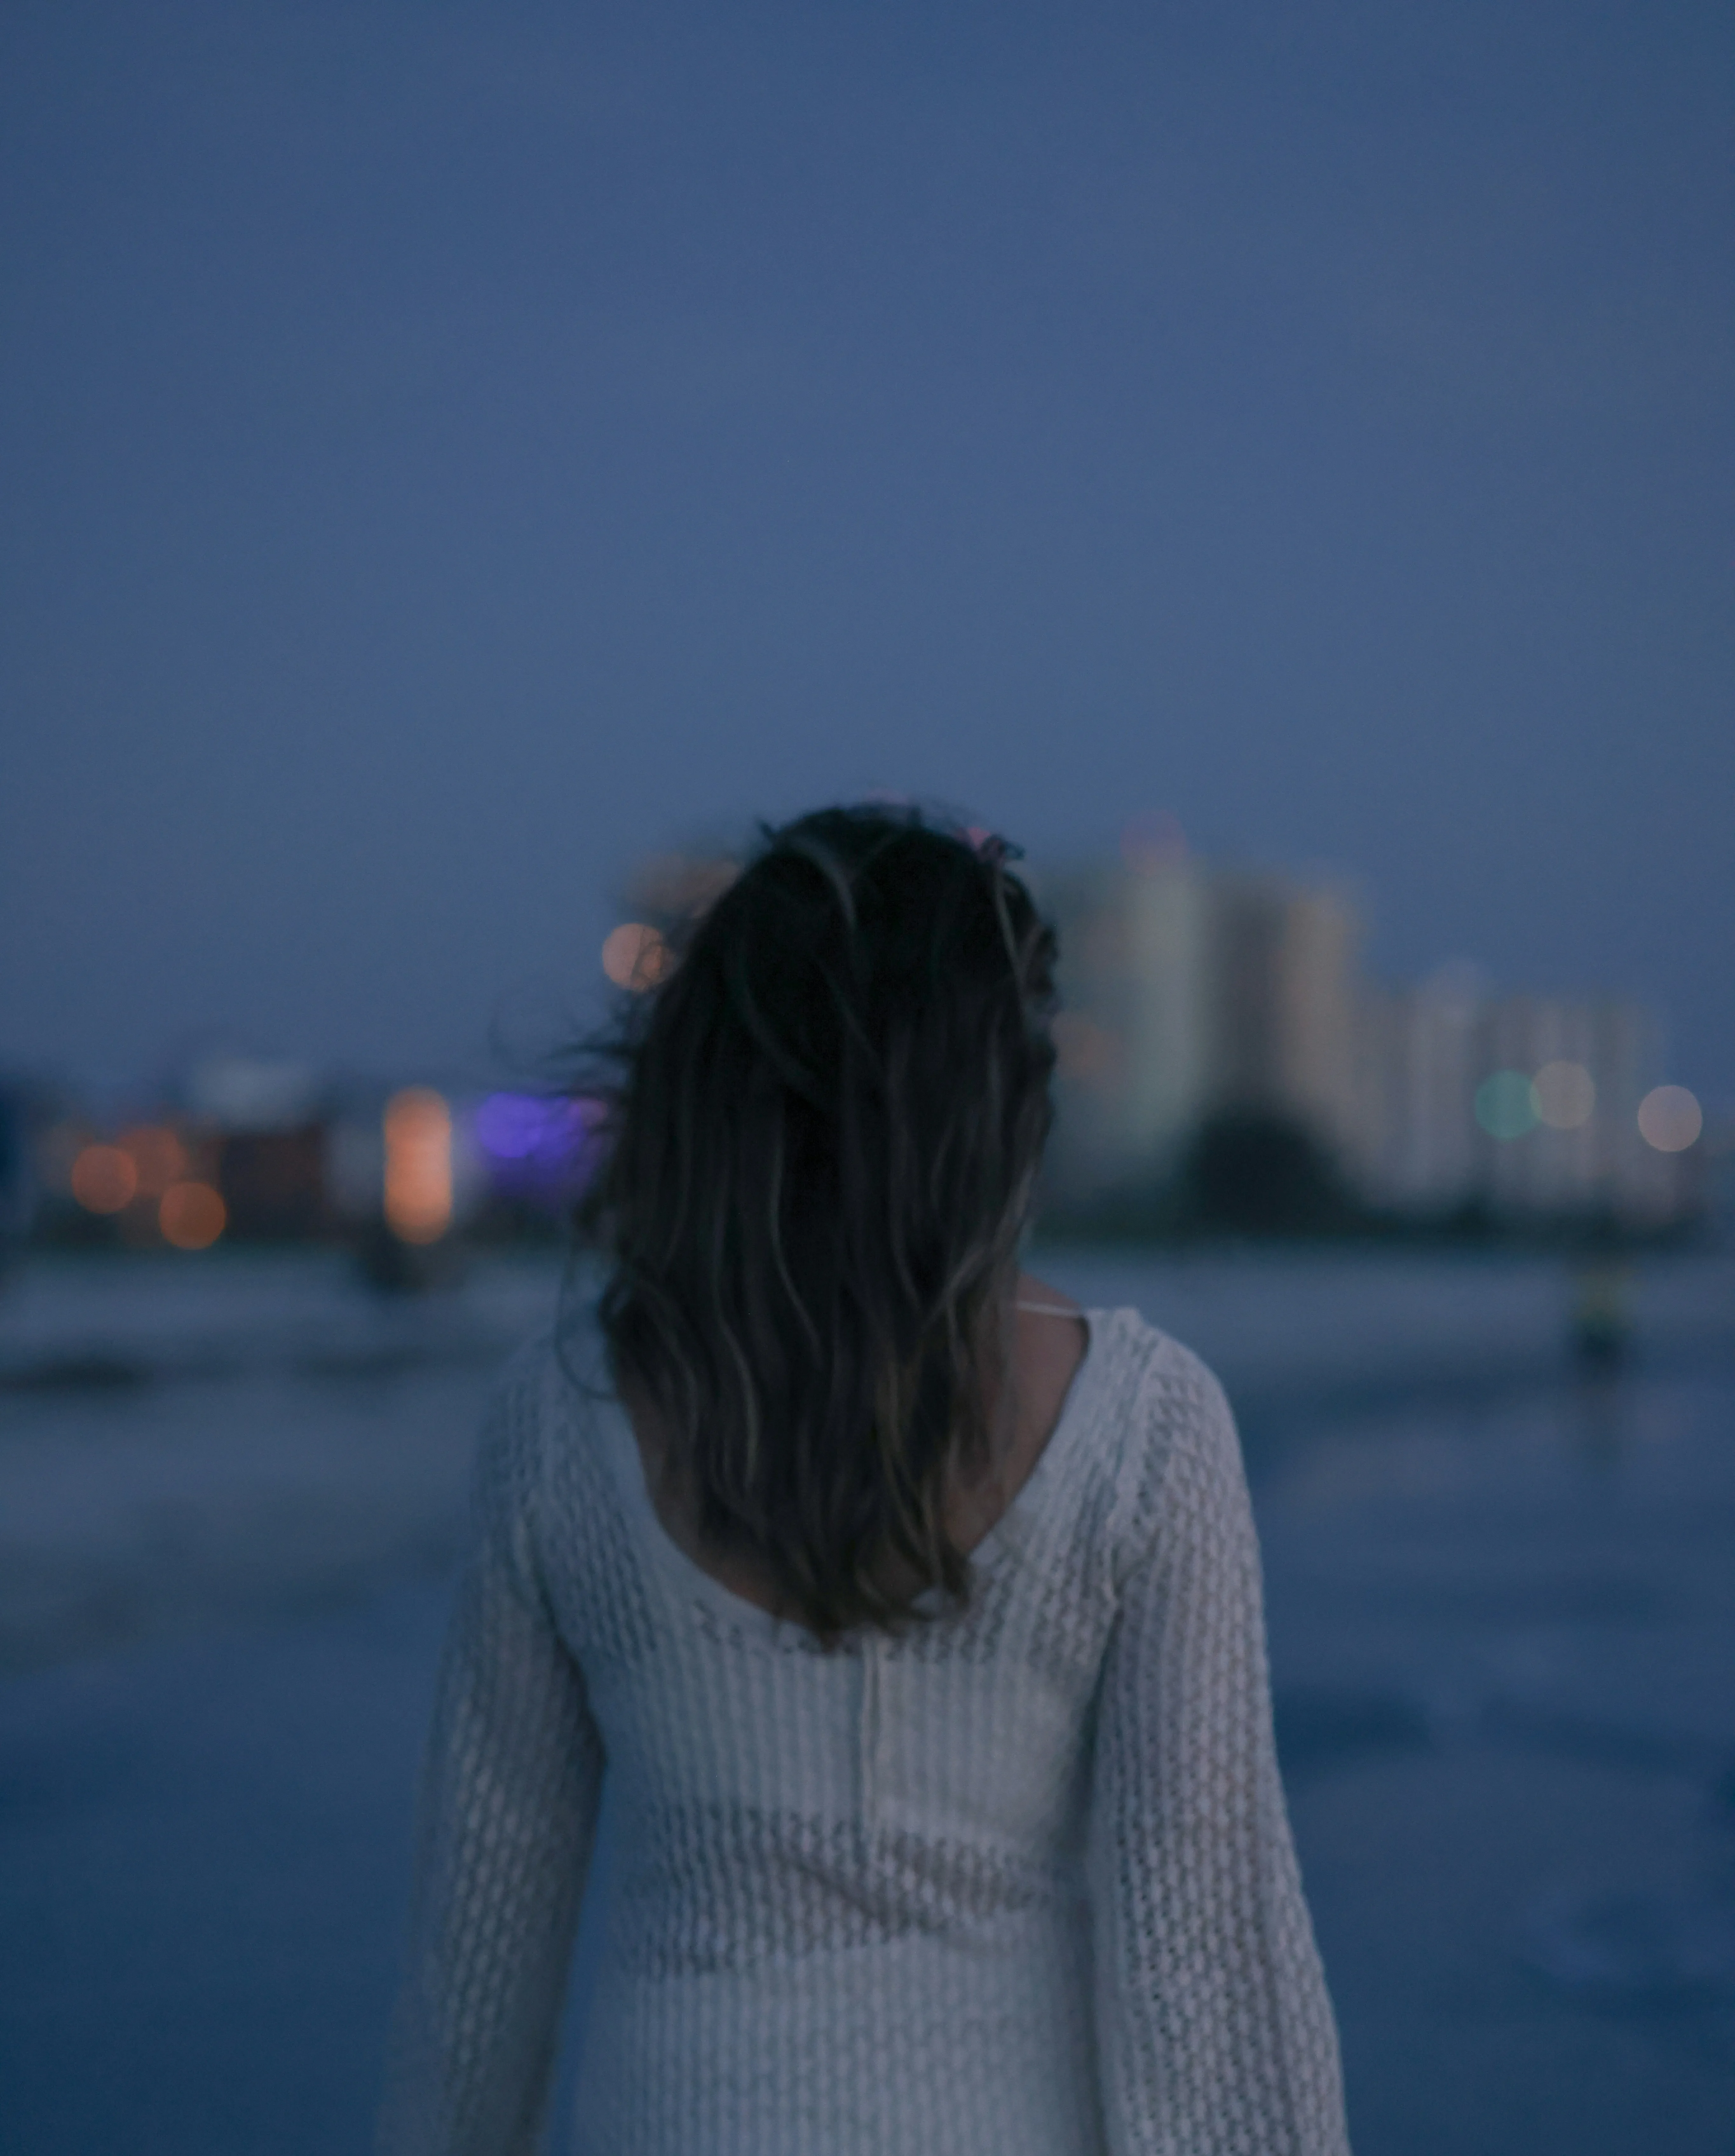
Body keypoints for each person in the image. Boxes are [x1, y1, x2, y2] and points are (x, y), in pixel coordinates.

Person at [380, 804, 1350, 2156]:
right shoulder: (1144, 1429)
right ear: (997, 1106)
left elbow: (479, 1966)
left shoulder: (560, 1420)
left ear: (713, 1086)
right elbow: (1202, 1983)